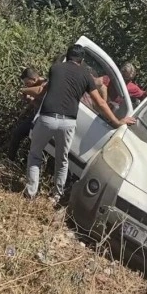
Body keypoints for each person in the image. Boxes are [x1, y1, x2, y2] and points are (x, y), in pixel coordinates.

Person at [25, 45, 136, 202]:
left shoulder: (55, 69)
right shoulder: (86, 76)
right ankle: (56, 196)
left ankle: (30, 193)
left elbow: (42, 91)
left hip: (47, 118)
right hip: (68, 122)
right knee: (62, 160)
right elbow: (100, 103)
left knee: (35, 154)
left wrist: (23, 90)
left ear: (68, 56)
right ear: (82, 60)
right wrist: (117, 122)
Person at [7, 68, 47, 161]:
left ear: (34, 79)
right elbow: (37, 103)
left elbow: (40, 93)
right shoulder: (35, 85)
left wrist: (24, 90)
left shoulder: (46, 84)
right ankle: (10, 159)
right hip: (36, 116)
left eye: (28, 83)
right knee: (17, 133)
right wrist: (28, 100)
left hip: (43, 118)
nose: (27, 86)